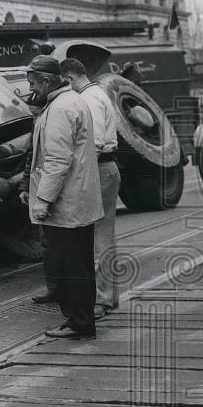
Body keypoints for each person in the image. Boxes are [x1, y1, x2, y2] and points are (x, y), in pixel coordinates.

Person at [22, 55, 104, 340]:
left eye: (34, 83)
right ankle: (82, 320)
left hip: (66, 203)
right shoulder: (71, 101)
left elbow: (57, 160)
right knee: (79, 264)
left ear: (46, 81)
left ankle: (78, 322)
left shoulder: (59, 108)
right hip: (77, 199)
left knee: (69, 265)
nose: (32, 89)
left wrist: (42, 200)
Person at [61, 58, 122, 319]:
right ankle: (108, 297)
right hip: (104, 169)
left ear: (69, 80)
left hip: (98, 170)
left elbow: (94, 144)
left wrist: (76, 176)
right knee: (102, 236)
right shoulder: (97, 94)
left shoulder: (88, 99)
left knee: (99, 239)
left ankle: (103, 299)